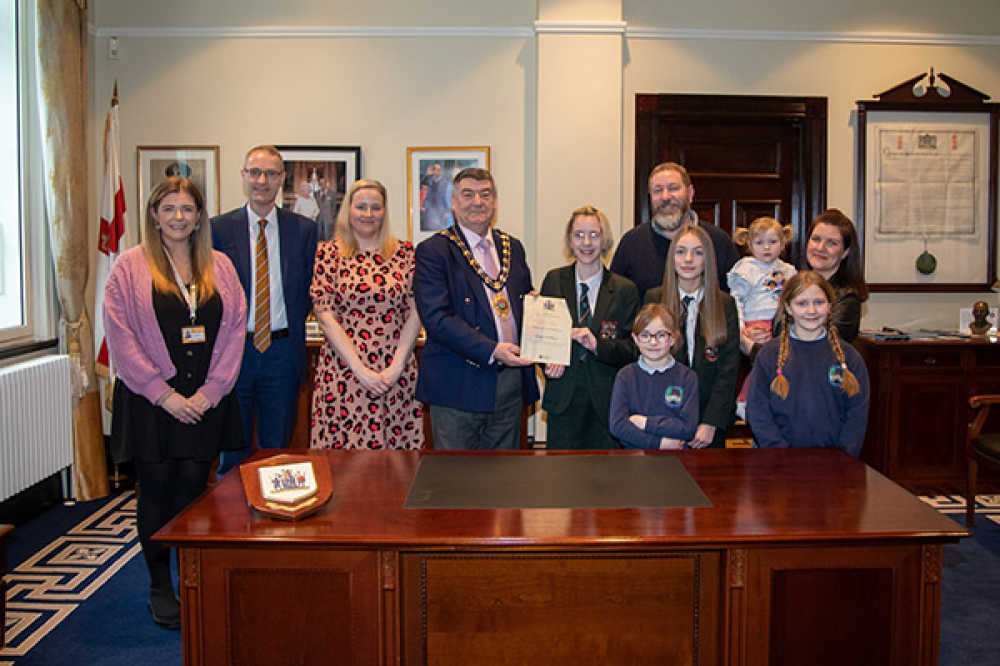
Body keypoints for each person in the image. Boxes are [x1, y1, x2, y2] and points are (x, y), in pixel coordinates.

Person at [103, 177, 246, 629]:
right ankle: (159, 584)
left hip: (205, 402)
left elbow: (235, 329)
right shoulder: (129, 266)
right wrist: (164, 394)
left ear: (200, 216)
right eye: (169, 209)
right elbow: (120, 336)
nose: (178, 218)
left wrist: (210, 392)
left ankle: (190, 575)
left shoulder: (219, 264)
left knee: (193, 492)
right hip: (152, 405)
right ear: (153, 214)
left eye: (187, 209)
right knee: (157, 494)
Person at [414, 167, 539, 450]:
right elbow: (436, 318)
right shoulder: (435, 251)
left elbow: (520, 303)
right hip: (458, 384)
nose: (477, 202)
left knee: (504, 479)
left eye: (485, 194)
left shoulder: (513, 247)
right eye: (467, 195)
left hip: (509, 383)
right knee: (458, 481)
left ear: (495, 202)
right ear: (453, 203)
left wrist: (536, 310)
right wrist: (492, 349)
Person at [212, 145, 318, 472]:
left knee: (278, 449)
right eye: (255, 172)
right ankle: (232, 520)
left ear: (282, 179)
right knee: (233, 448)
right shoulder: (218, 229)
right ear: (243, 176)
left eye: (271, 173)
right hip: (234, 352)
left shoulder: (304, 230)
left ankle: (275, 517)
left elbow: (307, 291)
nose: (262, 180)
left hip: (283, 353)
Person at [309, 179, 423, 449]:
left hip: (395, 370)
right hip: (343, 371)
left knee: (398, 466)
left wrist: (395, 367)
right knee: (345, 464)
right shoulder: (328, 253)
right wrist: (360, 370)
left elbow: (416, 312)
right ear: (348, 210)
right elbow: (325, 315)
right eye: (361, 207)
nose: (368, 214)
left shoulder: (405, 253)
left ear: (385, 211)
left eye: (376, 207)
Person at [540, 206, 640, 449]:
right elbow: (540, 337)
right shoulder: (553, 280)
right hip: (563, 400)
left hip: (607, 403)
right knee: (560, 480)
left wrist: (598, 345)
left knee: (605, 482)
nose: (586, 242)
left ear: (604, 240)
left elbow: (634, 350)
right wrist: (546, 362)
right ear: (569, 240)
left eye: (594, 235)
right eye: (579, 235)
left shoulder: (625, 289)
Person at [745, 271, 870, 456]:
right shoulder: (769, 355)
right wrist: (779, 453)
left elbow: (856, 414)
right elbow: (758, 411)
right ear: (788, 307)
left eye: (818, 302)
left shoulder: (849, 358)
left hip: (834, 463)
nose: (811, 311)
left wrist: (843, 455)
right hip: (779, 463)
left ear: (830, 305)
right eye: (802, 303)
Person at [646, 224, 740, 448]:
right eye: (681, 251)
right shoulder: (654, 298)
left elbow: (728, 370)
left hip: (709, 424)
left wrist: (710, 423)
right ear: (671, 258)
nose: (688, 259)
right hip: (664, 421)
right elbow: (647, 364)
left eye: (698, 252)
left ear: (707, 259)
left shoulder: (724, 303)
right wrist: (666, 425)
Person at [741, 208, 869, 355]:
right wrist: (756, 332)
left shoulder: (847, 300)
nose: (820, 248)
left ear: (845, 252)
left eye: (832, 243)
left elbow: (811, 352)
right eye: (816, 239)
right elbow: (778, 333)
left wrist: (749, 347)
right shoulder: (791, 282)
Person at [611, 162, 738, 300]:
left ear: (690, 194)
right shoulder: (631, 243)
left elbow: (737, 299)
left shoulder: (718, 241)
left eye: (673, 188)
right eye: (658, 190)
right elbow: (616, 301)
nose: (665, 197)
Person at [727, 217, 797, 416]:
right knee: (764, 362)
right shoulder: (746, 268)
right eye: (759, 243)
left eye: (773, 242)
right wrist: (741, 327)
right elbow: (737, 301)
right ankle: (744, 399)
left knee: (782, 366)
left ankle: (774, 401)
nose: (766, 247)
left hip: (782, 323)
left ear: (783, 244)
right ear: (749, 245)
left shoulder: (787, 270)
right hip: (756, 325)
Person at [609, 303, 698, 449]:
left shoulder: (687, 377)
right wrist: (659, 443)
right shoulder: (625, 376)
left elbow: (688, 427)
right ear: (635, 339)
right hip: (635, 460)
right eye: (645, 335)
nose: (653, 342)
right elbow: (618, 425)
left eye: (661, 335)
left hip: (676, 459)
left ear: (673, 338)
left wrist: (645, 423)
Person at [420, 162, 449, 232]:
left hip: (440, 211)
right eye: (434, 169)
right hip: (428, 211)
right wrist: (427, 174)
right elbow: (419, 184)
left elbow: (447, 198)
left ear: (441, 171)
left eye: (438, 169)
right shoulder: (429, 180)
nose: (436, 171)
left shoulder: (445, 183)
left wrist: (446, 211)